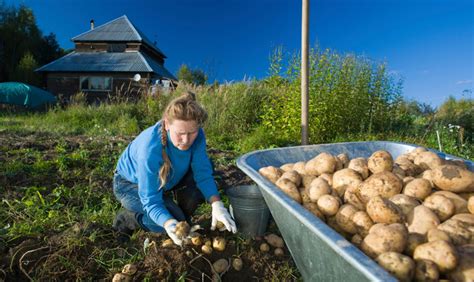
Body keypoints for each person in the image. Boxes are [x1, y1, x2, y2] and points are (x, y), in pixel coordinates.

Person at [112, 91, 237, 245]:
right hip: (129, 185)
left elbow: (203, 174)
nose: (186, 140)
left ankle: (178, 212)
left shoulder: (197, 137)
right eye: (180, 133)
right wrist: (169, 223)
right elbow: (151, 201)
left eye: (192, 133)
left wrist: (217, 204)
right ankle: (129, 218)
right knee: (172, 222)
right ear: (166, 124)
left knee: (206, 173)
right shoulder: (150, 150)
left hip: (170, 176)